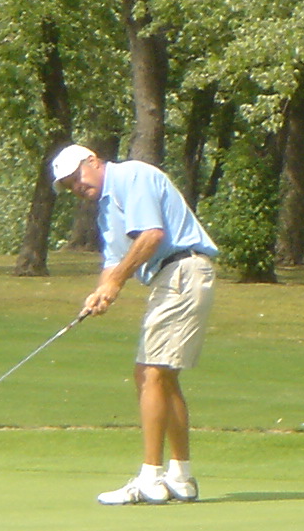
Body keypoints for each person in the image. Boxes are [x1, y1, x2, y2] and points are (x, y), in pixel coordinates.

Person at [51, 143, 220, 506]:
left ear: (93, 161)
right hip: (169, 277)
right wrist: (101, 292)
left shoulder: (133, 176)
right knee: (162, 375)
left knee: (149, 374)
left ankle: (150, 478)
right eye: (68, 186)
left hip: (182, 270)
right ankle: (180, 477)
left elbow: (151, 235)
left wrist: (116, 283)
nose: (76, 187)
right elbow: (113, 260)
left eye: (76, 177)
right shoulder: (105, 210)